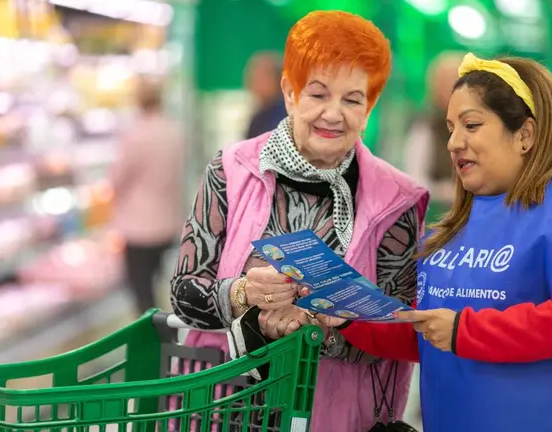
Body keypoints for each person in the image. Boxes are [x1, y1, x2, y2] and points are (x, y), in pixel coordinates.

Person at [321, 53, 552, 432]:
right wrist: (348, 316)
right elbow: (430, 331)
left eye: (472, 125)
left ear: (525, 134)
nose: (454, 142)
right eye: (451, 127)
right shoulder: (459, 223)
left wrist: (463, 331)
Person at [170, 10, 429, 432]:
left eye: (352, 99)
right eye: (318, 94)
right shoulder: (231, 171)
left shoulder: (395, 200)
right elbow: (183, 295)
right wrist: (241, 295)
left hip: (338, 414)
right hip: (224, 407)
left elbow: (398, 331)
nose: (333, 114)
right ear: (290, 93)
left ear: (369, 108)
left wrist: (317, 331)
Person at [110, 76, 185, 316]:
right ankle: (164, 333)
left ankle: (150, 341)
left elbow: (118, 178)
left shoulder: (136, 134)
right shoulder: (174, 130)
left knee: (141, 290)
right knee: (158, 281)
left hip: (140, 226)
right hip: (168, 221)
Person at [403, 52, 464, 209]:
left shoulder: (484, 125)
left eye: (455, 80)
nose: (449, 88)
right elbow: (415, 179)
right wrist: (445, 191)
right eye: (444, 82)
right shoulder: (424, 125)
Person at [244, 51, 287, 138]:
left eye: (260, 78)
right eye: (252, 77)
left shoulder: (287, 116)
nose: (253, 83)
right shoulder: (258, 117)